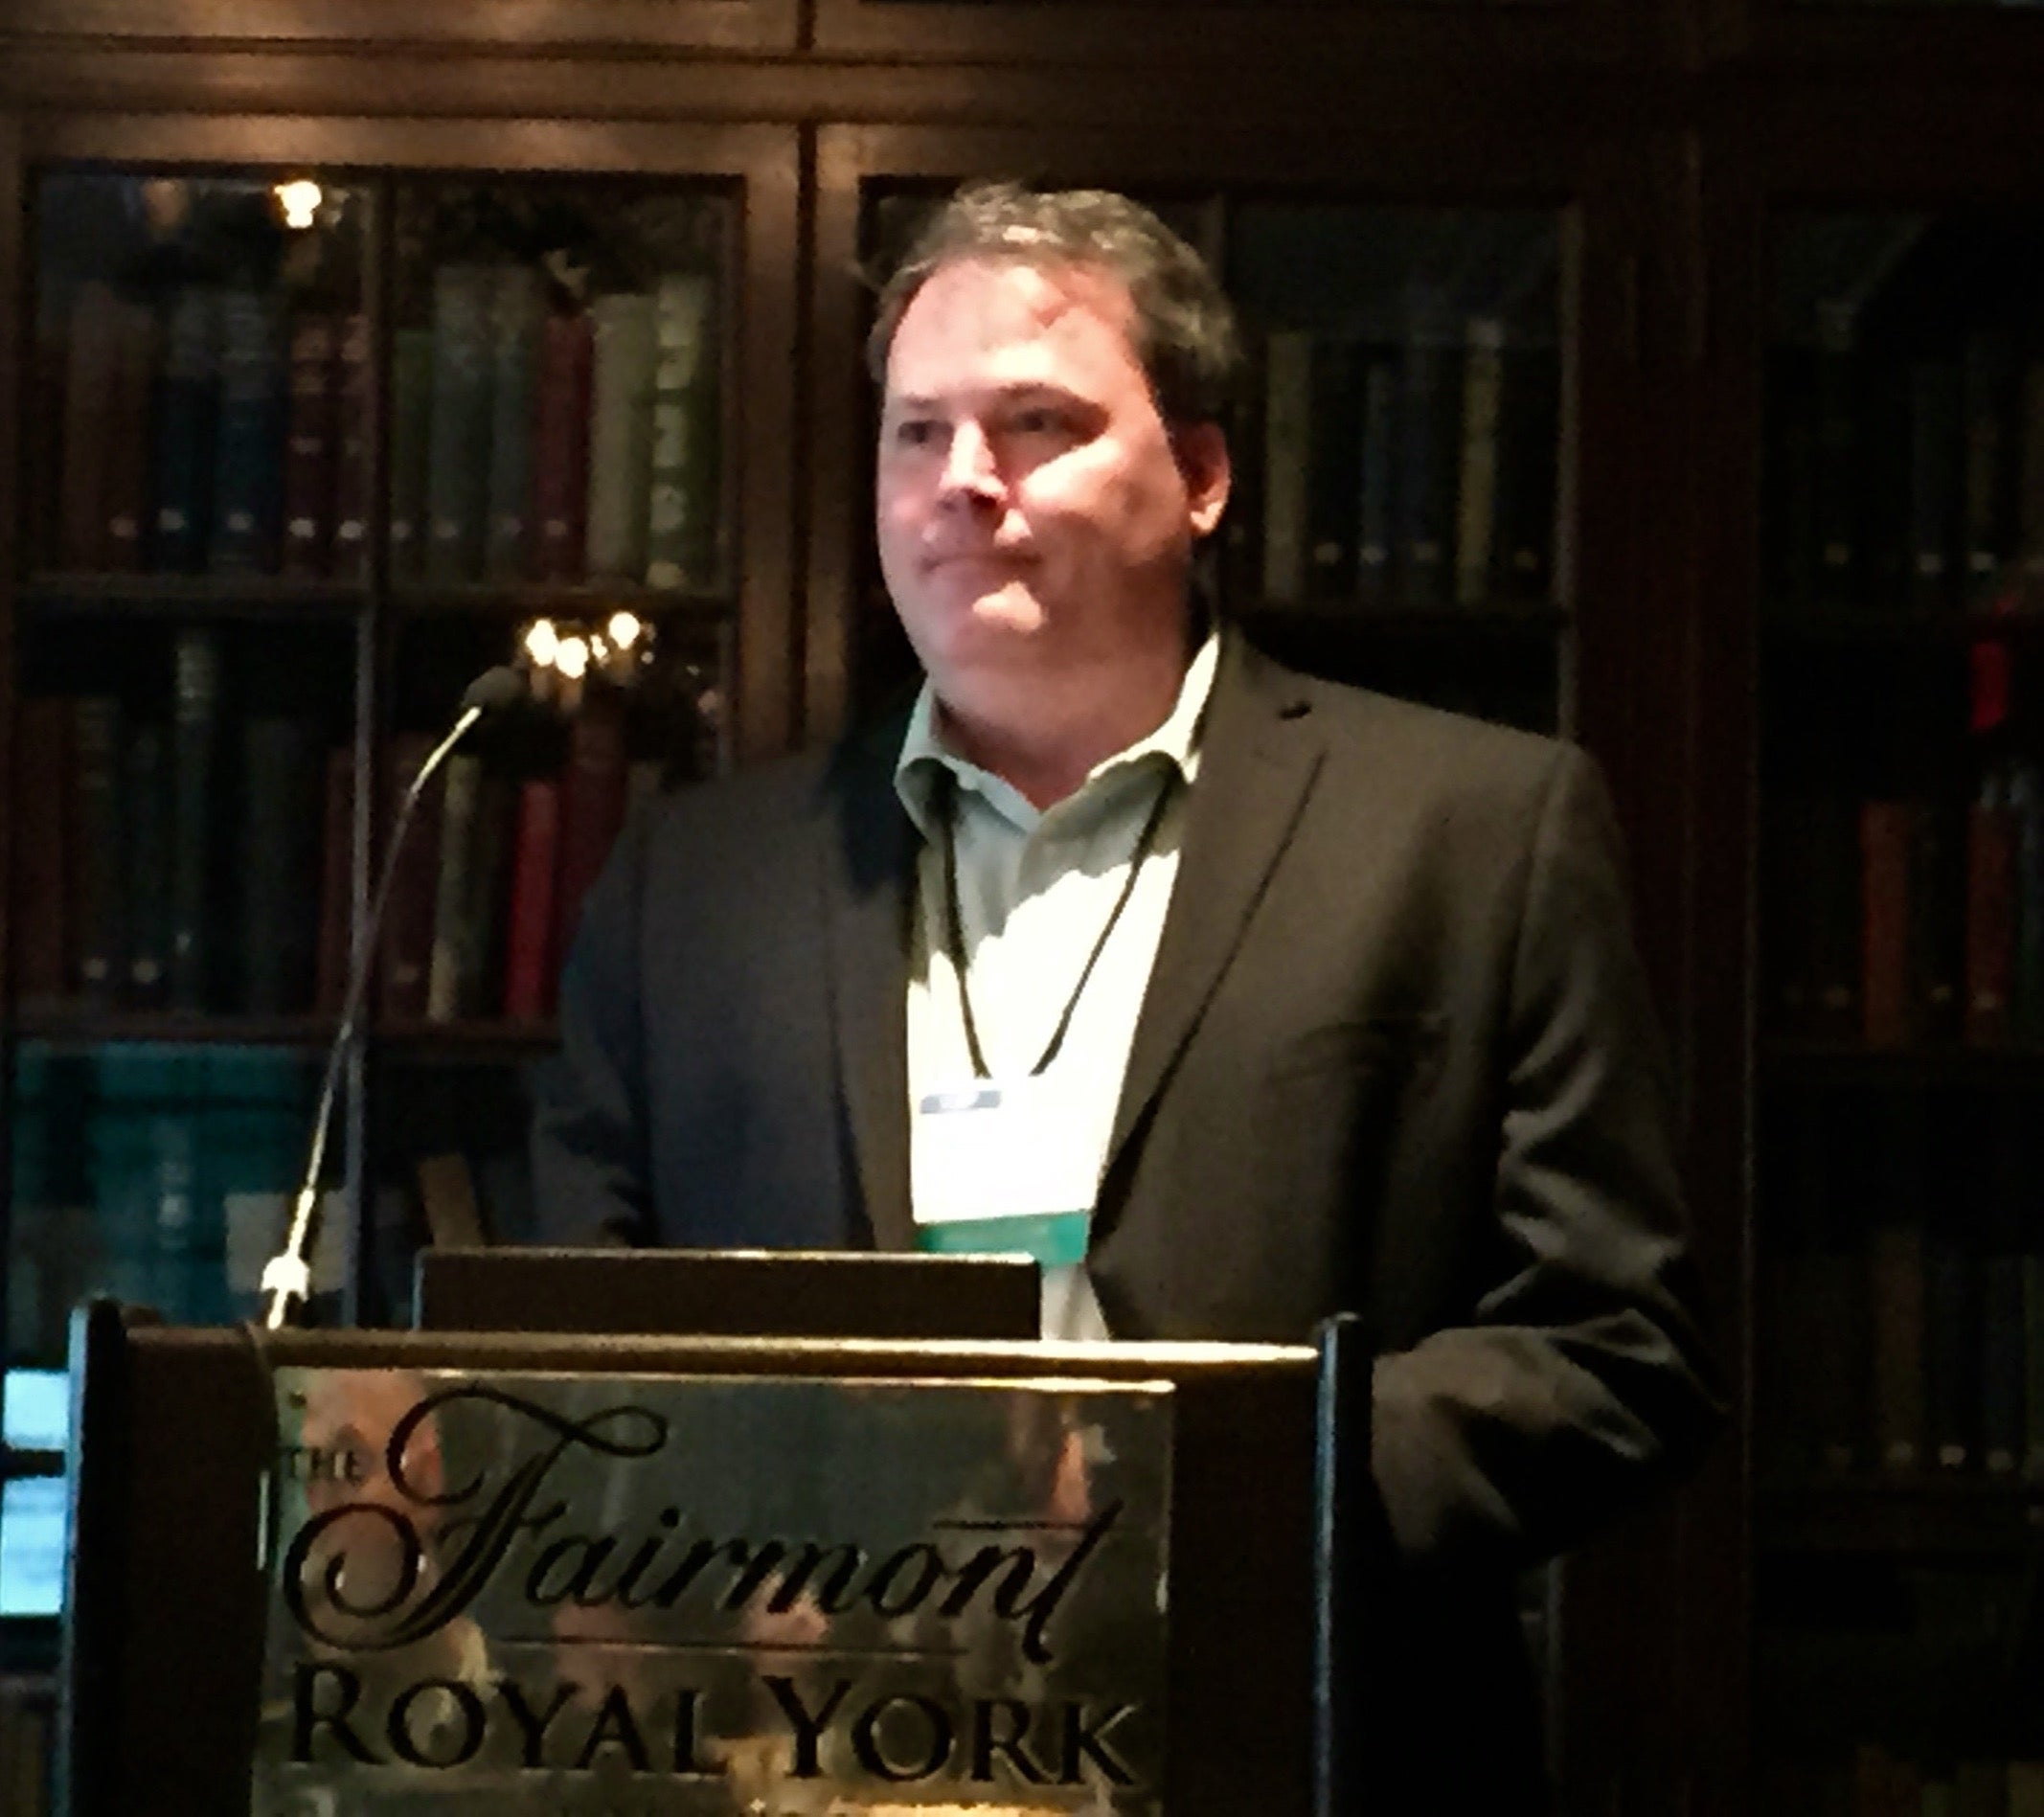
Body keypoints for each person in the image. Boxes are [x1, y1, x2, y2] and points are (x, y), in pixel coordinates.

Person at [530, 181, 1720, 1806]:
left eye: (1036, 422)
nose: (963, 479)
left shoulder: (1472, 829)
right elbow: (572, 1351)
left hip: (1300, 1739)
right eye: (915, 432)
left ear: (1203, 475)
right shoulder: (691, 884)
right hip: (802, 1759)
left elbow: (1617, 1347)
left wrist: (1198, 1485)